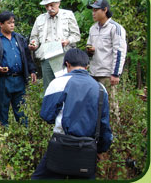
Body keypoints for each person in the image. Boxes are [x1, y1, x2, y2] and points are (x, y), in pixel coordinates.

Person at [31, 48, 112, 179]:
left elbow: (46, 115)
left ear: (67, 64)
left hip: (61, 145)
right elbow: (104, 124)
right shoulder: (101, 88)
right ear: (87, 66)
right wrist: (101, 149)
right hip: (87, 148)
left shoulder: (58, 83)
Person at [0, 11, 37, 127]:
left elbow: (27, 56)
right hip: (3, 80)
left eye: (13, 22)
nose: (12, 25)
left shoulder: (19, 38)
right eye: (9, 23)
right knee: (2, 108)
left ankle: (24, 132)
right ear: (1, 24)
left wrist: (32, 70)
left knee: (21, 108)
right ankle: (3, 135)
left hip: (19, 78)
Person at [29, 0, 80, 91]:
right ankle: (51, 106)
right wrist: (33, 44)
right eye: (46, 6)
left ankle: (67, 106)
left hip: (64, 55)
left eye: (51, 5)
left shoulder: (68, 15)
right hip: (46, 55)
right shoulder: (40, 19)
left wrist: (67, 41)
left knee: (66, 86)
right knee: (49, 88)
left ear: (58, 3)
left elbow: (76, 35)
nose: (49, 8)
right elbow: (34, 37)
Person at [86, 0, 127, 122]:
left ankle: (114, 132)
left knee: (110, 105)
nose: (93, 13)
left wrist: (115, 74)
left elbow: (119, 51)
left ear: (105, 10)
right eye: (92, 10)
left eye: (96, 10)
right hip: (93, 72)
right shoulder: (93, 28)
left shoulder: (115, 28)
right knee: (93, 104)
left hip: (107, 74)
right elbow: (88, 46)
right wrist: (89, 50)